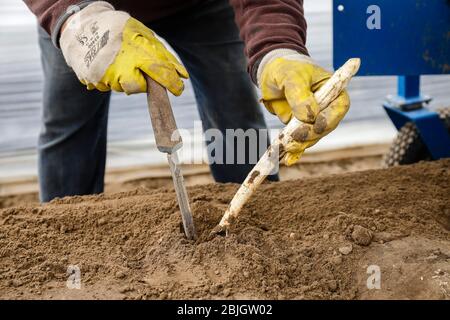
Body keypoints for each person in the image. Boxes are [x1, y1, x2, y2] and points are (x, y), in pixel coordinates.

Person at [24, 0, 350, 202]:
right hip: (87, 9)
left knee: (235, 113)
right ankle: (67, 240)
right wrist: (75, 19)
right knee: (68, 124)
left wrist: (277, 47)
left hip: (200, 6)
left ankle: (257, 213)